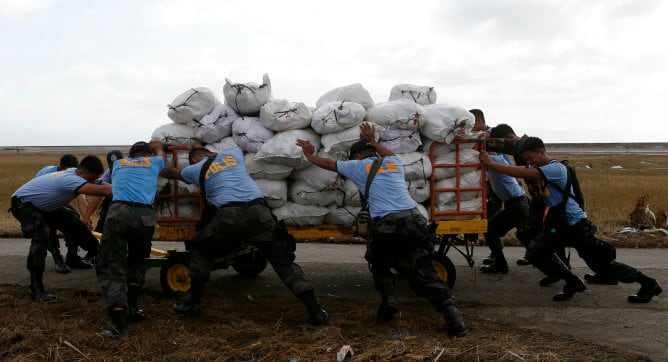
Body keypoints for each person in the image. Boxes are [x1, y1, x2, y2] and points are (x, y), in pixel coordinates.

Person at [296, 123, 467, 337]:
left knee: (378, 262)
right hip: (415, 221)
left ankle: (389, 302)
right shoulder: (394, 162)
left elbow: (329, 163)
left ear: (357, 156)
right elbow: (389, 152)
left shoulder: (357, 166)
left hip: (386, 225)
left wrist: (310, 156)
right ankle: (453, 317)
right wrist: (373, 141)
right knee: (426, 272)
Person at [159, 146, 329, 327]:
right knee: (283, 262)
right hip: (259, 212)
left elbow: (171, 172)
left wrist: (158, 158)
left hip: (229, 216)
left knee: (200, 249)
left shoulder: (195, 169)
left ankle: (192, 304)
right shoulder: (232, 154)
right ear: (212, 152)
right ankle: (316, 311)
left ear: (194, 160)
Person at [480, 137, 663, 303]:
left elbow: (519, 173)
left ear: (542, 151)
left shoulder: (555, 169)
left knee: (602, 266)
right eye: (527, 160)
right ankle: (573, 282)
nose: (530, 162)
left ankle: (648, 283)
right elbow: (522, 170)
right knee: (536, 252)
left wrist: (491, 164)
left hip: (575, 225)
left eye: (531, 158)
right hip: (560, 226)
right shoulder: (542, 168)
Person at [10, 155, 111, 302]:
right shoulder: (69, 179)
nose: (91, 182)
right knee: (42, 234)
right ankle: (36, 288)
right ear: (82, 173)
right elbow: (102, 191)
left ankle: (92, 255)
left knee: (73, 221)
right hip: (23, 204)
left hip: (44, 206)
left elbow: (101, 184)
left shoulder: (76, 173)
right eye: (89, 179)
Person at [95, 141, 166, 338]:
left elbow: (101, 182)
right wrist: (159, 147)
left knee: (110, 265)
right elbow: (162, 154)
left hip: (119, 212)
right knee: (137, 262)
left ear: (130, 154)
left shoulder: (119, 164)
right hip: (145, 216)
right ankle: (133, 309)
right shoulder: (154, 162)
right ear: (148, 154)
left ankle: (120, 326)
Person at [480, 124, 530, 274]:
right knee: (526, 233)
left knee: (490, 230)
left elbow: (484, 160)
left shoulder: (496, 160)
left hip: (516, 204)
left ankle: (500, 264)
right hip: (519, 202)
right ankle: (535, 258)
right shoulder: (501, 158)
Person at [34, 154, 96, 273]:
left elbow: (81, 198)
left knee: (73, 217)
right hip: (39, 202)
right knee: (49, 225)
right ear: (60, 167)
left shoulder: (73, 175)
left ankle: (72, 257)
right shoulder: (47, 174)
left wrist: (86, 218)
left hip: (56, 200)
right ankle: (58, 259)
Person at [83, 150, 123, 233]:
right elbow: (99, 195)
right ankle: (101, 229)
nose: (114, 170)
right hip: (112, 200)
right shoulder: (108, 173)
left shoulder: (130, 171)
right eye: (112, 168)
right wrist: (87, 216)